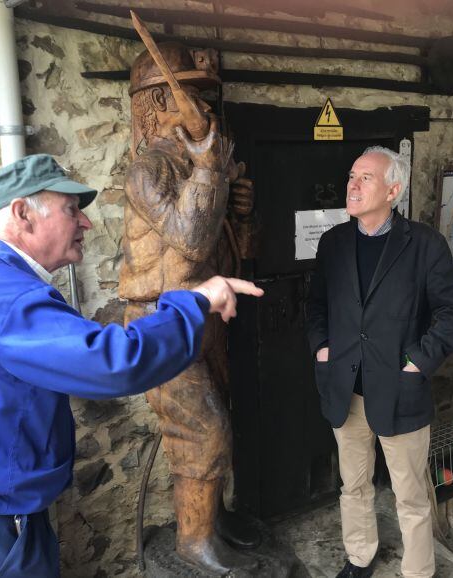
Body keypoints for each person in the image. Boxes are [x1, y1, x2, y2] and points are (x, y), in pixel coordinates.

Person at [0, 153, 263, 578]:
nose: (86, 223)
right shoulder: (2, 295)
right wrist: (195, 301)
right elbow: (116, 363)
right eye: (71, 210)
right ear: (22, 214)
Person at [119, 42, 258, 574]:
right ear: (156, 103)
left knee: (216, 427)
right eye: (190, 97)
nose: (205, 111)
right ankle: (191, 543)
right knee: (203, 432)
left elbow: (232, 250)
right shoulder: (148, 171)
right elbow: (191, 241)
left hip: (206, 316)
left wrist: (241, 213)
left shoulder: (204, 166)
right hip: (160, 320)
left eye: (207, 98)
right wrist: (209, 174)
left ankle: (210, 524)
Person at [306, 146, 453, 578]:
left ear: (393, 190)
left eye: (366, 178)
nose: (353, 185)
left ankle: (418, 571)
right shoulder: (334, 242)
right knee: (354, 485)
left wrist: (418, 361)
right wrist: (322, 347)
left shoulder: (424, 244)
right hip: (345, 386)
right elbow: (317, 305)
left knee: (411, 494)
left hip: (400, 388)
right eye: (352, 176)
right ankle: (360, 556)